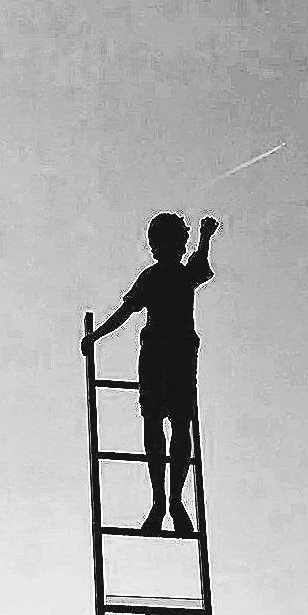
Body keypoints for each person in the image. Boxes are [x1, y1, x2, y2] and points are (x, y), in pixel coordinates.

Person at [83, 213, 218, 534]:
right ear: (159, 245)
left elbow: (200, 267)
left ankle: (174, 500)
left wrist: (205, 236)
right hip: (157, 357)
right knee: (155, 424)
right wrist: (97, 336)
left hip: (182, 356)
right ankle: (160, 500)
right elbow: (126, 311)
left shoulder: (184, 275)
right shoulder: (152, 277)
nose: (179, 247)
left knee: (180, 427)